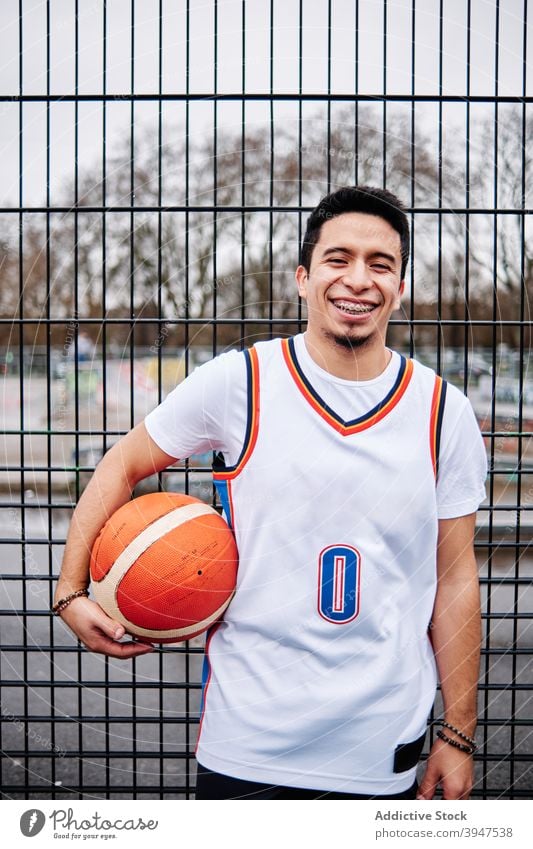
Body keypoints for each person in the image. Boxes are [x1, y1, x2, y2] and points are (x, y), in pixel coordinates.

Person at [53, 186, 487, 800]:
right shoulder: (243, 382)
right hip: (247, 742)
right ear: (303, 279)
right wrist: (70, 590)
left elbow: (456, 576)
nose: (357, 279)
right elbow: (121, 464)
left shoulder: (445, 412)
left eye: (380, 263)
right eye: (338, 260)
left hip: (380, 746)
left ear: (400, 286)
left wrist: (458, 732)